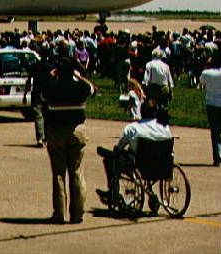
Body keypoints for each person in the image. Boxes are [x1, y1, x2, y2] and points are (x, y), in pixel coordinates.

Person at [43, 57, 96, 224]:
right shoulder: (80, 87)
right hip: (77, 131)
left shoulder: (52, 87)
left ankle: (59, 213)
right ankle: (77, 213)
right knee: (77, 173)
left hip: (57, 131)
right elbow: (92, 88)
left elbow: (44, 91)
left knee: (59, 174)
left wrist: (53, 75)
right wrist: (78, 75)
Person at [96, 100, 173, 203]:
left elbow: (119, 148)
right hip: (162, 165)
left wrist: (115, 151)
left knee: (110, 159)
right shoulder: (165, 128)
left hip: (140, 165)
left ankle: (113, 191)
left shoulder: (133, 128)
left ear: (141, 111)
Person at [200, 50, 221, 166]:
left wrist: (207, 65)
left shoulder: (206, 72)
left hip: (212, 104)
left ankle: (217, 157)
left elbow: (201, 83)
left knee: (215, 131)